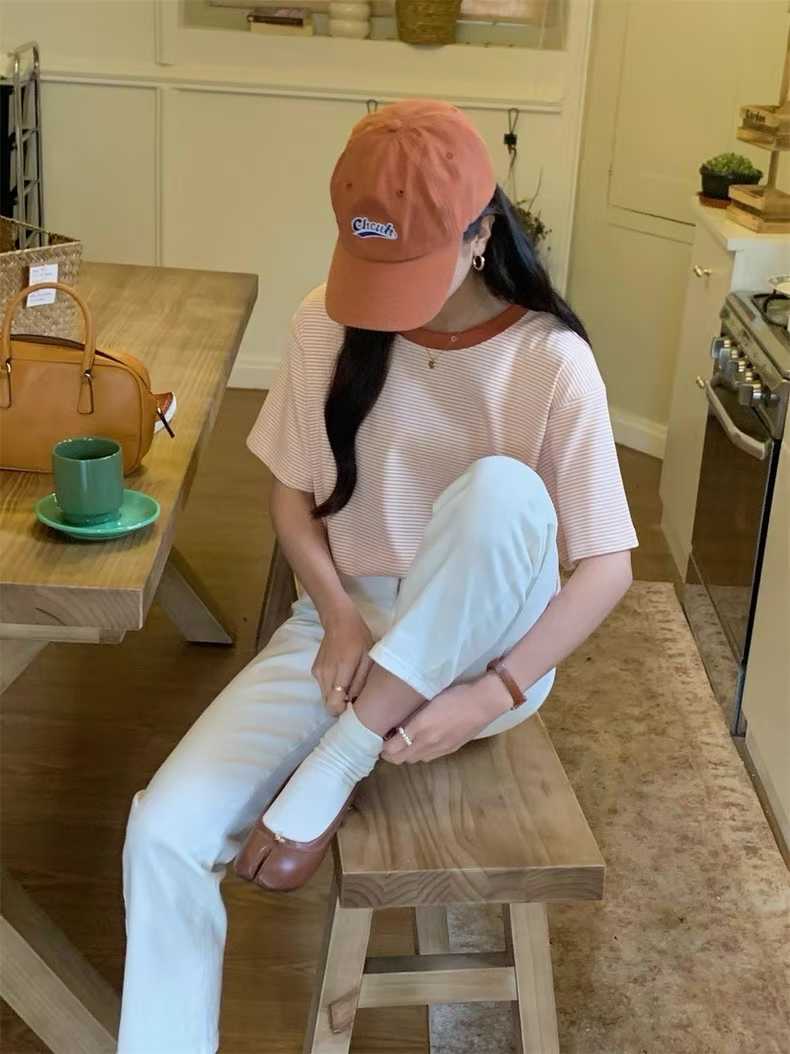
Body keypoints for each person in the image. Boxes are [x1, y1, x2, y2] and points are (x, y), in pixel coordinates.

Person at [117, 98, 638, 1053]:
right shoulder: (326, 320)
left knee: (501, 492)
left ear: (481, 234)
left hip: (491, 642)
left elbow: (607, 566)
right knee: (161, 832)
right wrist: (339, 615)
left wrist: (492, 694)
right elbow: (290, 499)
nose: (392, 302)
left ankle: (341, 759)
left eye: (417, 269)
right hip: (349, 631)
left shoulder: (551, 360)